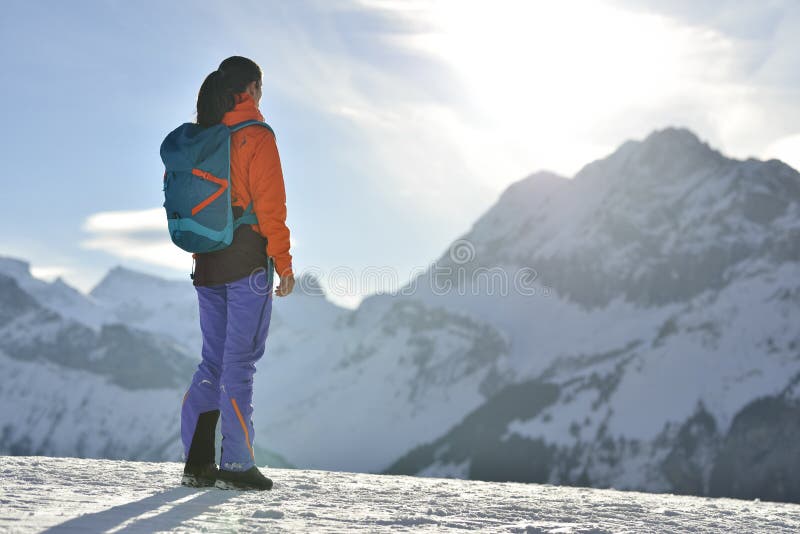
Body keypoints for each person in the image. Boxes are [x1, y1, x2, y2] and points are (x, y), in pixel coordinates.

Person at [179, 56, 294, 491]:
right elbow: (270, 207)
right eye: (261, 88)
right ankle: (237, 465)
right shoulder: (256, 136)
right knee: (239, 362)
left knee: (212, 360)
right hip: (247, 263)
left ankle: (197, 463)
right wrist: (283, 263)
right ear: (251, 90)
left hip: (206, 264)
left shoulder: (204, 135)